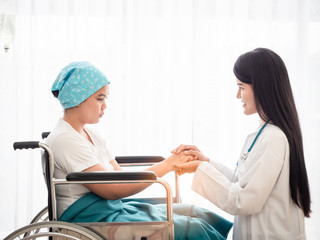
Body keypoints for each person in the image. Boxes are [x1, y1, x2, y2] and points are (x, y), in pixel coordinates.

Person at [46, 61, 233, 240]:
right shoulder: (65, 140)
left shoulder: (91, 135)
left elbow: (120, 179)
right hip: (91, 218)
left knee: (199, 214)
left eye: (105, 98)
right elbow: (113, 189)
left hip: (111, 208)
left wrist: (171, 162)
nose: (105, 106)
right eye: (99, 98)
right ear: (78, 98)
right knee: (192, 228)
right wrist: (167, 165)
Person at [171, 48, 311, 239]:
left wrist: (201, 167)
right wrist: (206, 162)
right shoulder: (265, 133)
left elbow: (244, 200)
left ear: (262, 87)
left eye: (242, 87)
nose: (238, 95)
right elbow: (241, 182)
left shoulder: (273, 138)